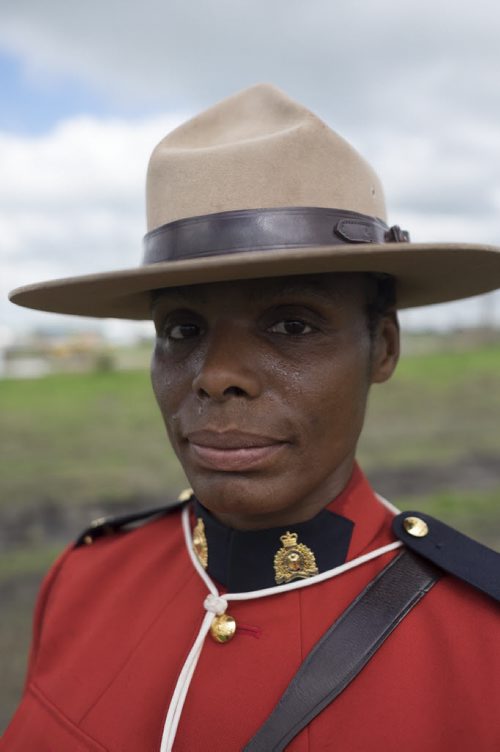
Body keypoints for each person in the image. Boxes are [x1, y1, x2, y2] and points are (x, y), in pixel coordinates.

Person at [2, 84, 499, 752]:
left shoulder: (480, 646)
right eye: (182, 329)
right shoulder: (85, 581)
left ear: (381, 347)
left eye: (291, 323)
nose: (215, 375)